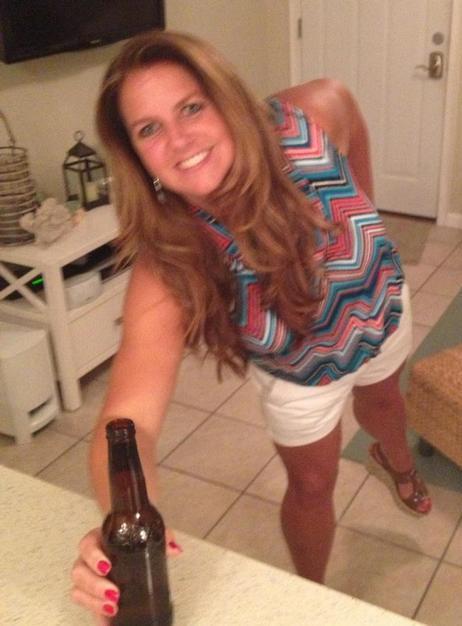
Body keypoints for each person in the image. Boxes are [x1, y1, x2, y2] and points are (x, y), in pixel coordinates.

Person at [71, 29, 431, 621]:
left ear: (224, 99)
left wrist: (363, 220)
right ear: (136, 158)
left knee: (386, 404)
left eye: (191, 107)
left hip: (379, 309)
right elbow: (128, 419)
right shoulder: (172, 258)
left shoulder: (311, 119)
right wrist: (121, 518)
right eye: (149, 129)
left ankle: (400, 464)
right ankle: (309, 593)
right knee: (311, 486)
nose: (180, 139)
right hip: (299, 372)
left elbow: (354, 128)